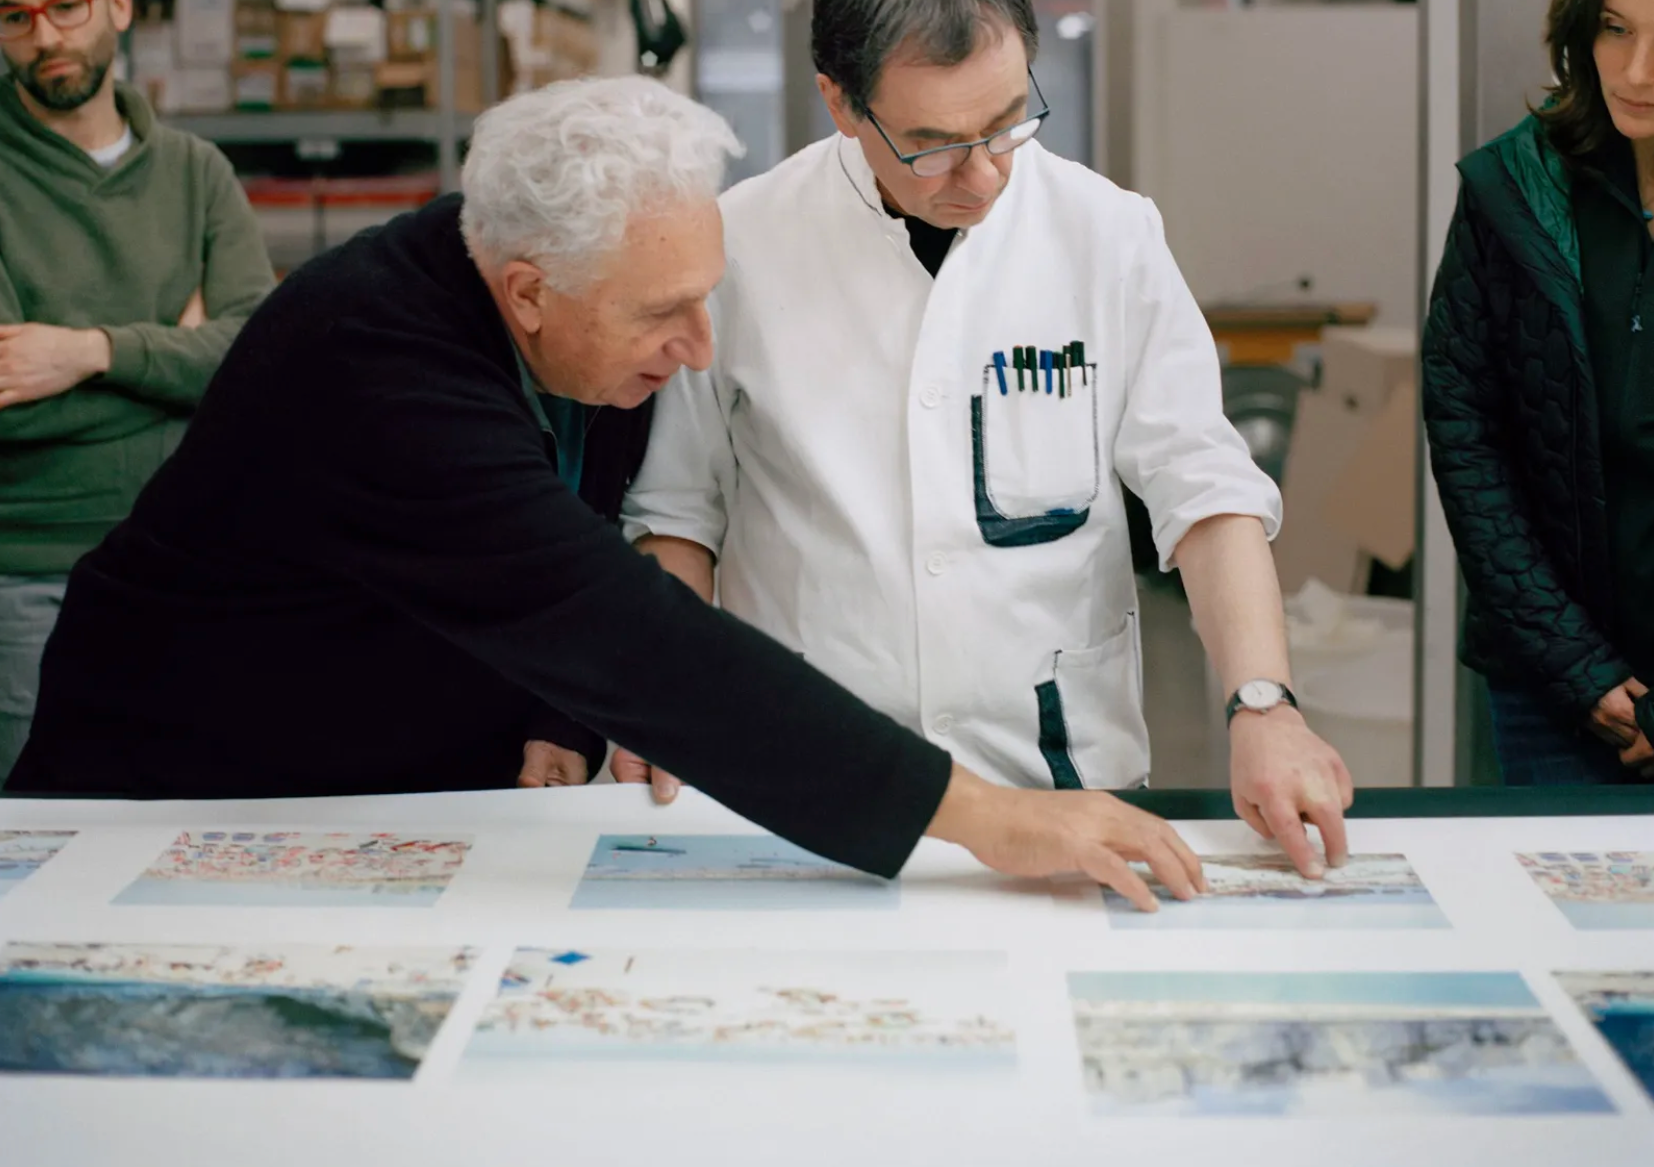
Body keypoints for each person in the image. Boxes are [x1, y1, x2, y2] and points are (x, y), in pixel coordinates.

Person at [10, 78, 1212, 912]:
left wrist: (560, 712)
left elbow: (568, 525)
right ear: (529, 291)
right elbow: (636, 638)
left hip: (397, 787)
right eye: (662, 315)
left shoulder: (561, 281)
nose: (697, 347)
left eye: (708, 297)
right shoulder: (371, 365)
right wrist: (995, 819)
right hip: (182, 799)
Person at [617, 0, 1353, 877]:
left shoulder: (1108, 234)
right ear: (840, 103)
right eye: (933, 144)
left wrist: (1265, 705)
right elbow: (680, 512)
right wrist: (673, 703)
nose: (986, 174)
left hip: (1061, 782)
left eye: (1008, 122)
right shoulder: (741, 244)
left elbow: (1202, 490)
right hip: (811, 785)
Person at [0, 0, 273, 783]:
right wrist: (177, 356)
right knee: (30, 853)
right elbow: (11, 409)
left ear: (117, 5)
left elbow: (255, 369)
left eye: (65, 7)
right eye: (15, 18)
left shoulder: (197, 174)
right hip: (29, 581)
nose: (46, 38)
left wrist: (88, 353)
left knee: (186, 836)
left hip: (188, 568)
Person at [1424, 0, 1654, 784]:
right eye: (1615, 28)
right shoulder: (1512, 191)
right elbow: (1465, 426)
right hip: (1559, 687)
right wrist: (1579, 667)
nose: (1636, 72)